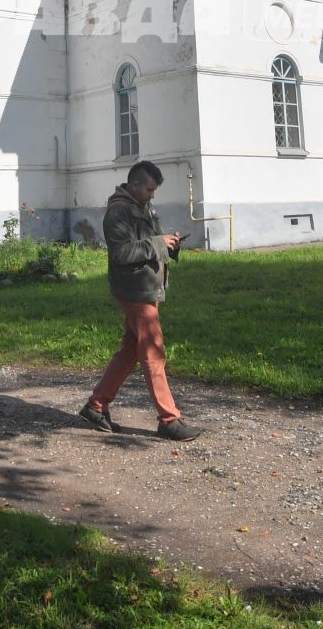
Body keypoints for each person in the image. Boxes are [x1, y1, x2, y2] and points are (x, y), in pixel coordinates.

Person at [79, 159, 200, 441]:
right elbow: (121, 253)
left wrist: (169, 244)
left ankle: (96, 406)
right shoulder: (118, 211)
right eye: (149, 189)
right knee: (153, 352)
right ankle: (169, 419)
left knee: (131, 349)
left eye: (154, 190)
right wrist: (159, 243)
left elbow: (149, 243)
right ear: (134, 185)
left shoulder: (144, 206)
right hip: (134, 290)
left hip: (147, 286)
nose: (152, 194)